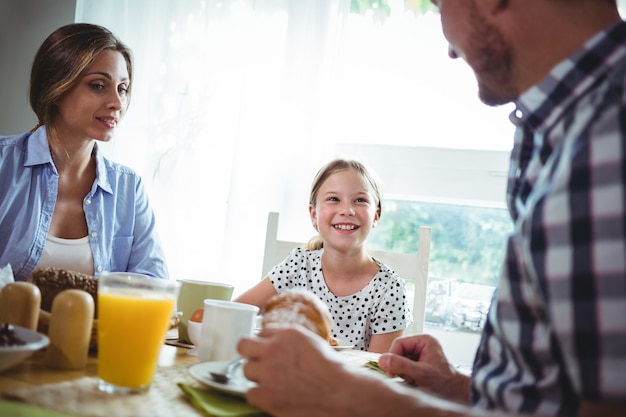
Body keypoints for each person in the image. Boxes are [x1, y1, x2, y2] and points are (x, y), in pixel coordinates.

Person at [237, 1, 626, 416]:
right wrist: (459, 388)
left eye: (441, 2)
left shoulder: (607, 138)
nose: (451, 50)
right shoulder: (563, 126)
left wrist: (356, 398)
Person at [0, 23, 168, 281]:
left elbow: (154, 290)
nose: (116, 103)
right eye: (98, 85)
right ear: (56, 88)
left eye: (122, 89)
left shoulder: (128, 189)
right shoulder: (3, 164)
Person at [235, 158, 411, 353]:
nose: (347, 210)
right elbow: (233, 314)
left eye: (360, 200)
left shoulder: (389, 288)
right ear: (313, 214)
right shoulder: (299, 264)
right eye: (333, 199)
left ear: (376, 216)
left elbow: (378, 373)